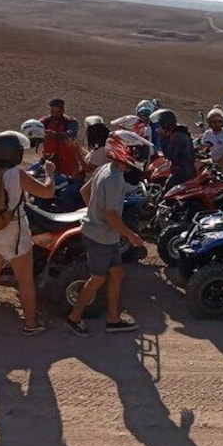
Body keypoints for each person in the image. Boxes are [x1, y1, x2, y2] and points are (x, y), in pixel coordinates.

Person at [0, 131, 56, 343]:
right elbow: (47, 192)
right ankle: (31, 325)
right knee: (25, 282)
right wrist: (50, 173)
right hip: (13, 232)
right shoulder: (16, 174)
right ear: (15, 153)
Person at [66, 131, 150, 336]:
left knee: (116, 273)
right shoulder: (115, 178)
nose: (137, 155)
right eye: (134, 150)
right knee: (97, 278)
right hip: (101, 237)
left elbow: (85, 192)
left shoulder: (106, 168)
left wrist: (95, 213)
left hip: (105, 235)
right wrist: (131, 236)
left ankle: (113, 320)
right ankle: (74, 318)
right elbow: (112, 216)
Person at [151, 109, 195, 190]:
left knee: (166, 193)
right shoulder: (178, 134)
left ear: (165, 125)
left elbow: (170, 155)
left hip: (183, 173)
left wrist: (162, 138)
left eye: (160, 126)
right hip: (183, 171)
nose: (158, 129)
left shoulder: (177, 137)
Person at [40, 98, 82, 178]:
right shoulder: (45, 121)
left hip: (68, 162)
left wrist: (55, 135)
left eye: (57, 112)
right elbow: (36, 132)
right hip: (49, 161)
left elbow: (71, 135)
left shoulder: (71, 122)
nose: (54, 114)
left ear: (63, 110)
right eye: (52, 111)